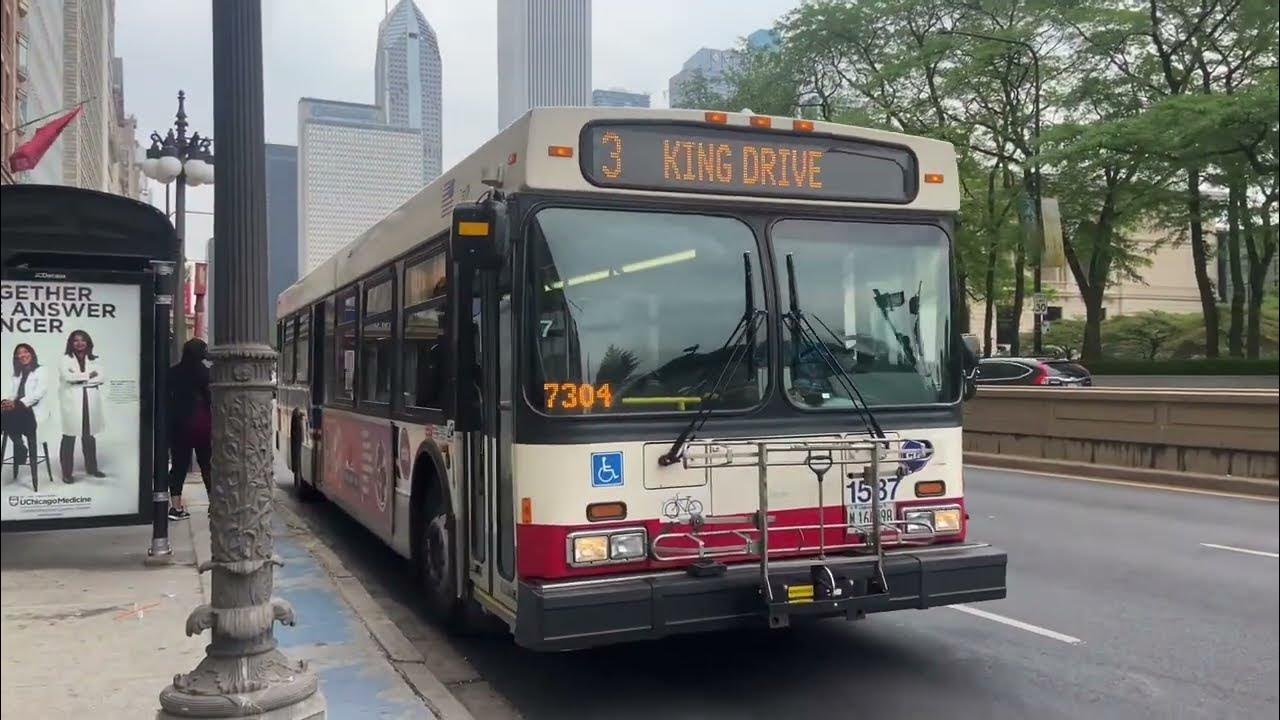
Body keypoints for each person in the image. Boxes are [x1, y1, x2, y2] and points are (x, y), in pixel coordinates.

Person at [166, 338, 212, 520]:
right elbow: (210, 399)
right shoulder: (205, 374)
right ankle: (213, 505)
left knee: (178, 466)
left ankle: (176, 507)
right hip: (201, 426)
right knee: (207, 464)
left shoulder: (173, 372)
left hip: (178, 426)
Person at [59, 330, 105, 482]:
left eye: (83, 340)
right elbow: (68, 377)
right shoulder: (65, 359)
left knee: (89, 436)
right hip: (72, 403)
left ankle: (92, 468)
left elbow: (101, 377)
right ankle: (67, 473)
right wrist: (89, 375)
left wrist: (80, 379)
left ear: (88, 342)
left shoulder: (95, 359)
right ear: (71, 343)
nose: (79, 343)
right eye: (76, 340)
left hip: (89, 402)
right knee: (69, 437)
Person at [2, 344, 50, 476]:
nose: (22, 355)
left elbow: (38, 393)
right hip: (16, 413)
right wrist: (7, 402)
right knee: (3, 408)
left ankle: (20, 446)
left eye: (25, 352)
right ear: (16, 357)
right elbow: (12, 394)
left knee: (7, 414)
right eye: (19, 353)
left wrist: (16, 404)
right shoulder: (17, 374)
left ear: (31, 353)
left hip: (33, 412)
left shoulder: (41, 370)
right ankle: (20, 445)